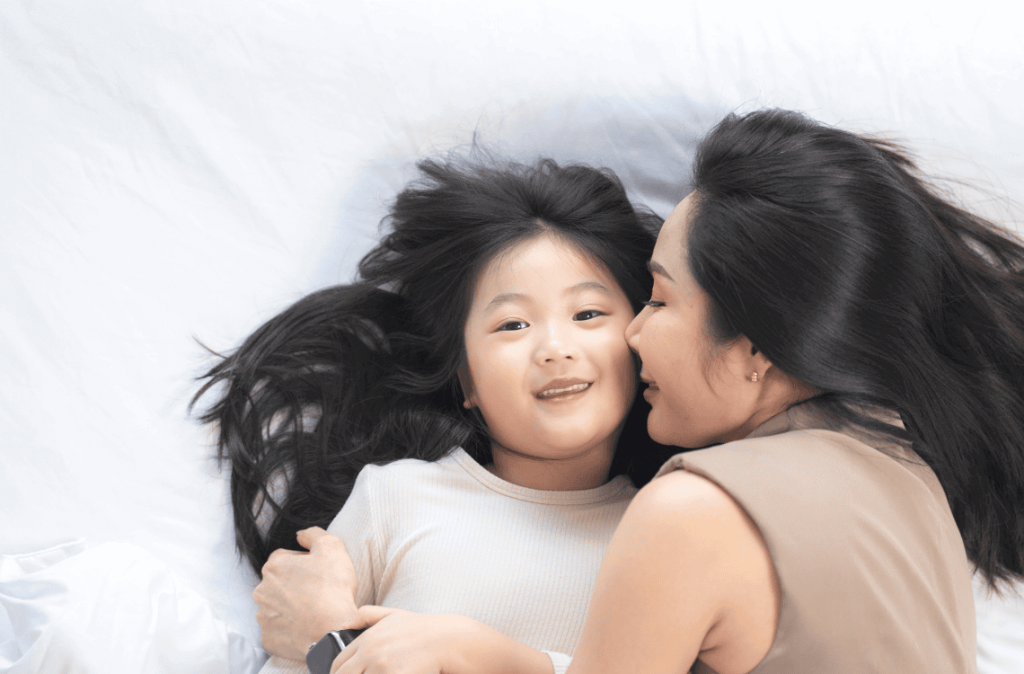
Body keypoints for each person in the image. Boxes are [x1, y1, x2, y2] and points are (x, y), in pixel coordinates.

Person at [262, 108, 1024, 674]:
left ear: (754, 345)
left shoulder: (689, 515)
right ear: (462, 377)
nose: (628, 336)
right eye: (510, 327)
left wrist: (338, 646)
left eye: (653, 302)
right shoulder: (911, 472)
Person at [192, 154, 673, 672]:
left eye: (587, 314)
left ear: (640, 340)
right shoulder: (394, 499)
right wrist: (329, 640)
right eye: (512, 325)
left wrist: (446, 649)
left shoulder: (669, 533)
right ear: (466, 380)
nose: (554, 348)